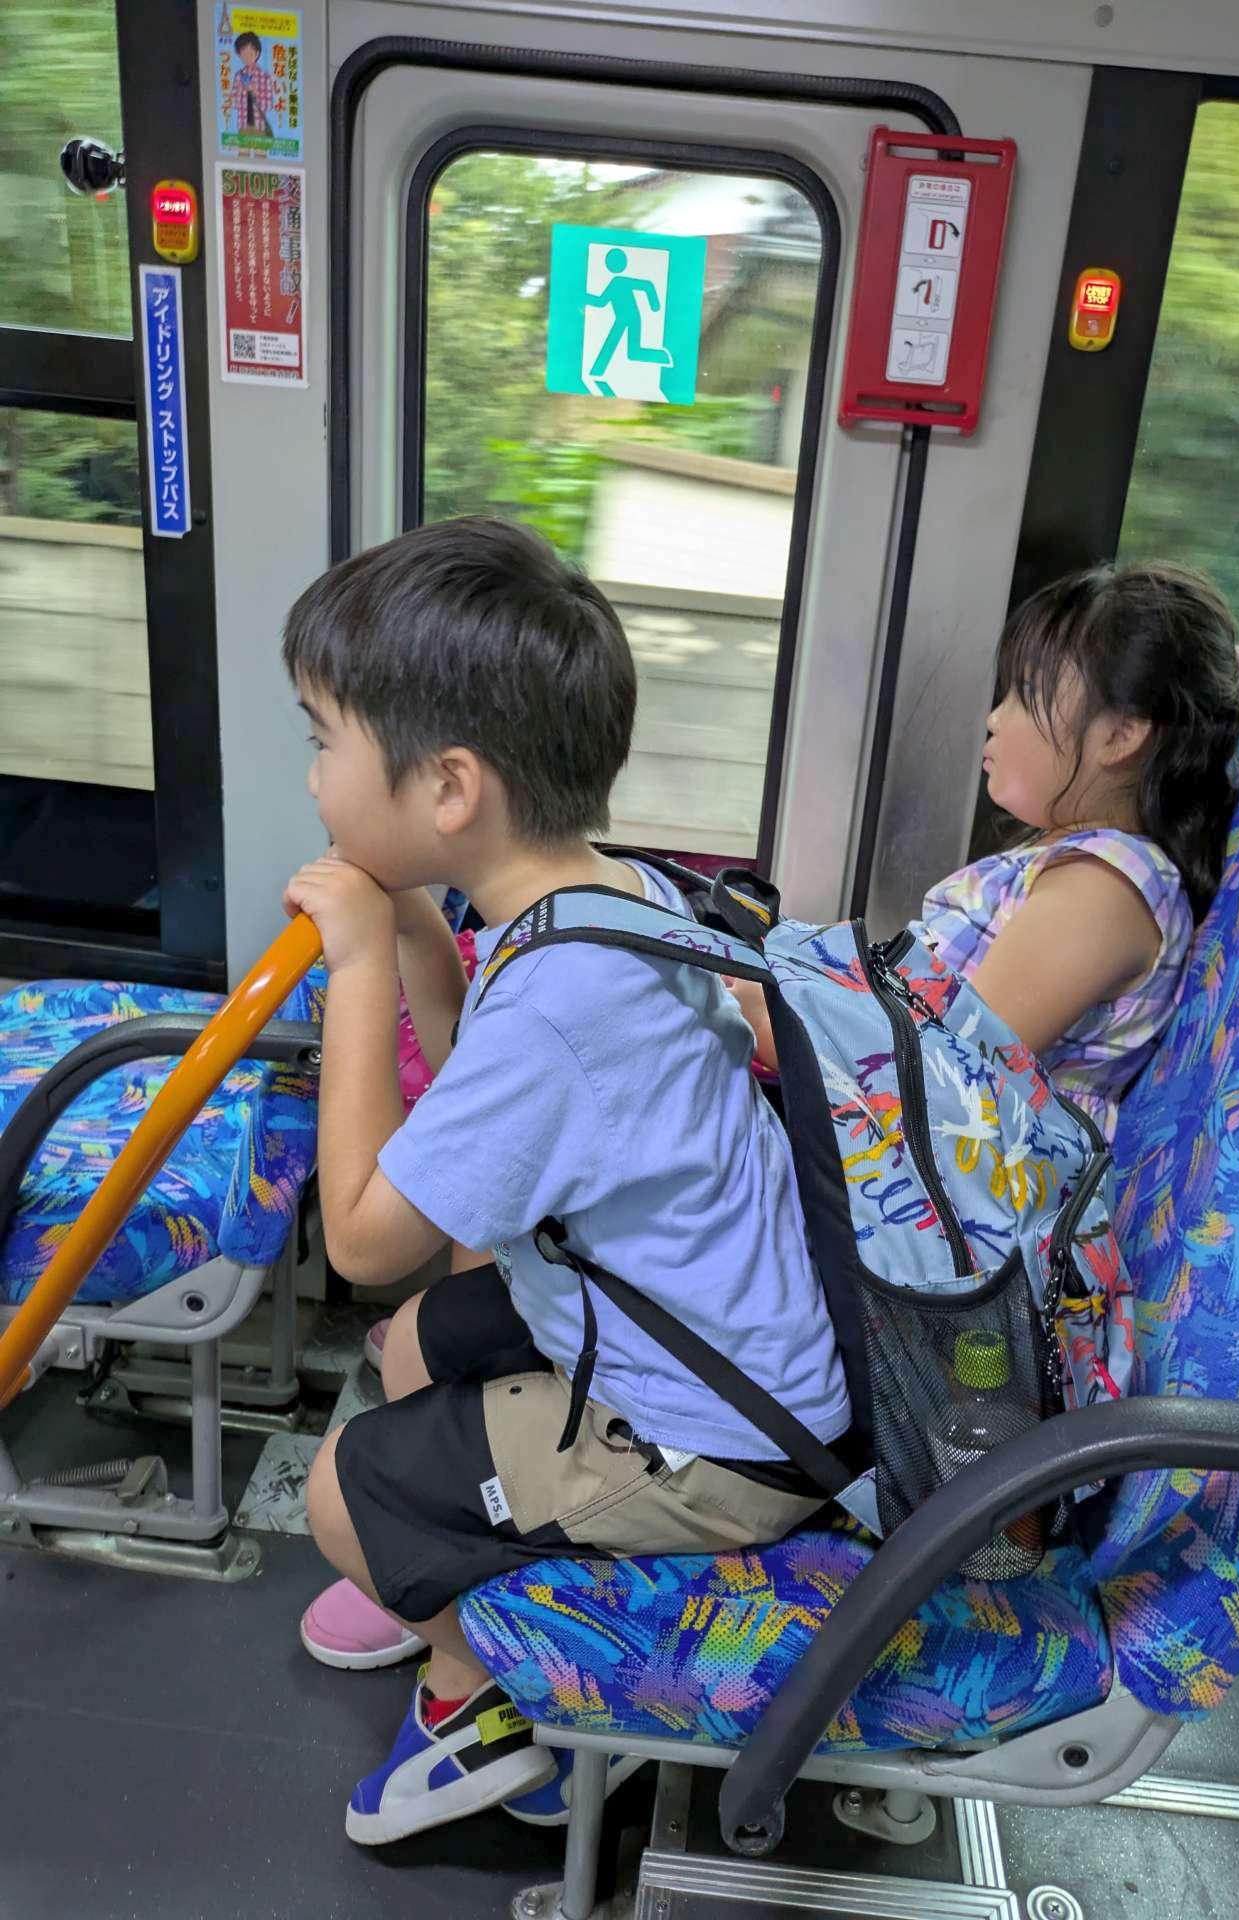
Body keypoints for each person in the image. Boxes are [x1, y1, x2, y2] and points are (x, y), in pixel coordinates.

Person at [279, 517, 850, 1845]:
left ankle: (483, 1697)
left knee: (339, 1487)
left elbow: (362, 1236)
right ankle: (456, 1575)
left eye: (323, 741)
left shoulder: (560, 1003)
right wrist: (411, 926)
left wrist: (357, 968)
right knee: (414, 1345)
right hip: (721, 1341)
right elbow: (479, 1101)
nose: (312, 778)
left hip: (716, 1441)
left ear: (449, 788)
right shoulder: (609, 893)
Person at [739, 563, 1239, 1136]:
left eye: (1026, 696)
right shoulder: (1065, 865)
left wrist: (778, 1026)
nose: (995, 717)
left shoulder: (1104, 894)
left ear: (1119, 736)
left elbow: (948, 1077)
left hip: (956, 1176)